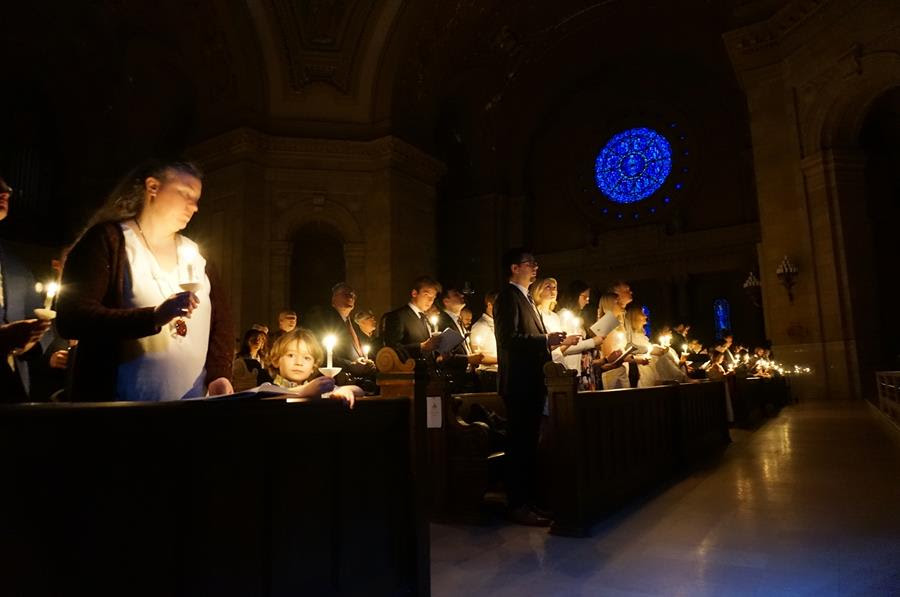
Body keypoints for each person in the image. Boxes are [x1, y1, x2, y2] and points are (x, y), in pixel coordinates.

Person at [56, 159, 233, 401]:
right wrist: (153, 317)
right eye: (185, 194)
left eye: (197, 198)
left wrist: (219, 376)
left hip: (192, 410)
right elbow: (72, 317)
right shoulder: (109, 242)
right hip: (118, 411)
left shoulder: (198, 256)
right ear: (153, 188)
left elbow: (221, 325)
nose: (194, 207)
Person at [494, 248, 578, 526]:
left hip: (531, 381)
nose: (535, 267)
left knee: (529, 445)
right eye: (530, 263)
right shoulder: (508, 297)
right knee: (519, 445)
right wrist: (545, 340)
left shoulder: (526, 298)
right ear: (515, 268)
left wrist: (549, 341)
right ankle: (517, 504)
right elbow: (509, 339)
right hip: (519, 382)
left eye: (535, 262)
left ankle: (529, 501)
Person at [0, 175, 52, 402]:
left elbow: (39, 315)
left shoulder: (16, 267)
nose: (5, 192)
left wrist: (31, 343)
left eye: (7, 188)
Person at [267, 328, 362, 407]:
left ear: (313, 366)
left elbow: (359, 390)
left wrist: (344, 390)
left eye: (307, 358)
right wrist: (304, 390)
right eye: (291, 355)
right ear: (276, 360)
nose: (299, 363)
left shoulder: (317, 388)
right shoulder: (267, 388)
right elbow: (261, 394)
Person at [306, 283, 376, 376]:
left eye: (353, 295)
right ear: (334, 299)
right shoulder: (323, 320)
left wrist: (368, 362)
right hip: (337, 378)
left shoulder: (354, 326)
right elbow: (322, 352)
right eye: (345, 294)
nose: (350, 297)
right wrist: (351, 365)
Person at [381, 276, 442, 360]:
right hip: (411, 370)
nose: (430, 300)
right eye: (426, 295)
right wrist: (421, 347)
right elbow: (393, 348)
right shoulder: (398, 316)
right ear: (414, 293)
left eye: (433, 297)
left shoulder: (425, 318)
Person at [470, 290, 499, 390]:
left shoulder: (497, 323)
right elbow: (477, 356)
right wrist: (502, 359)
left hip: (497, 373)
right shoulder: (480, 326)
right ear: (490, 305)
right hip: (489, 374)